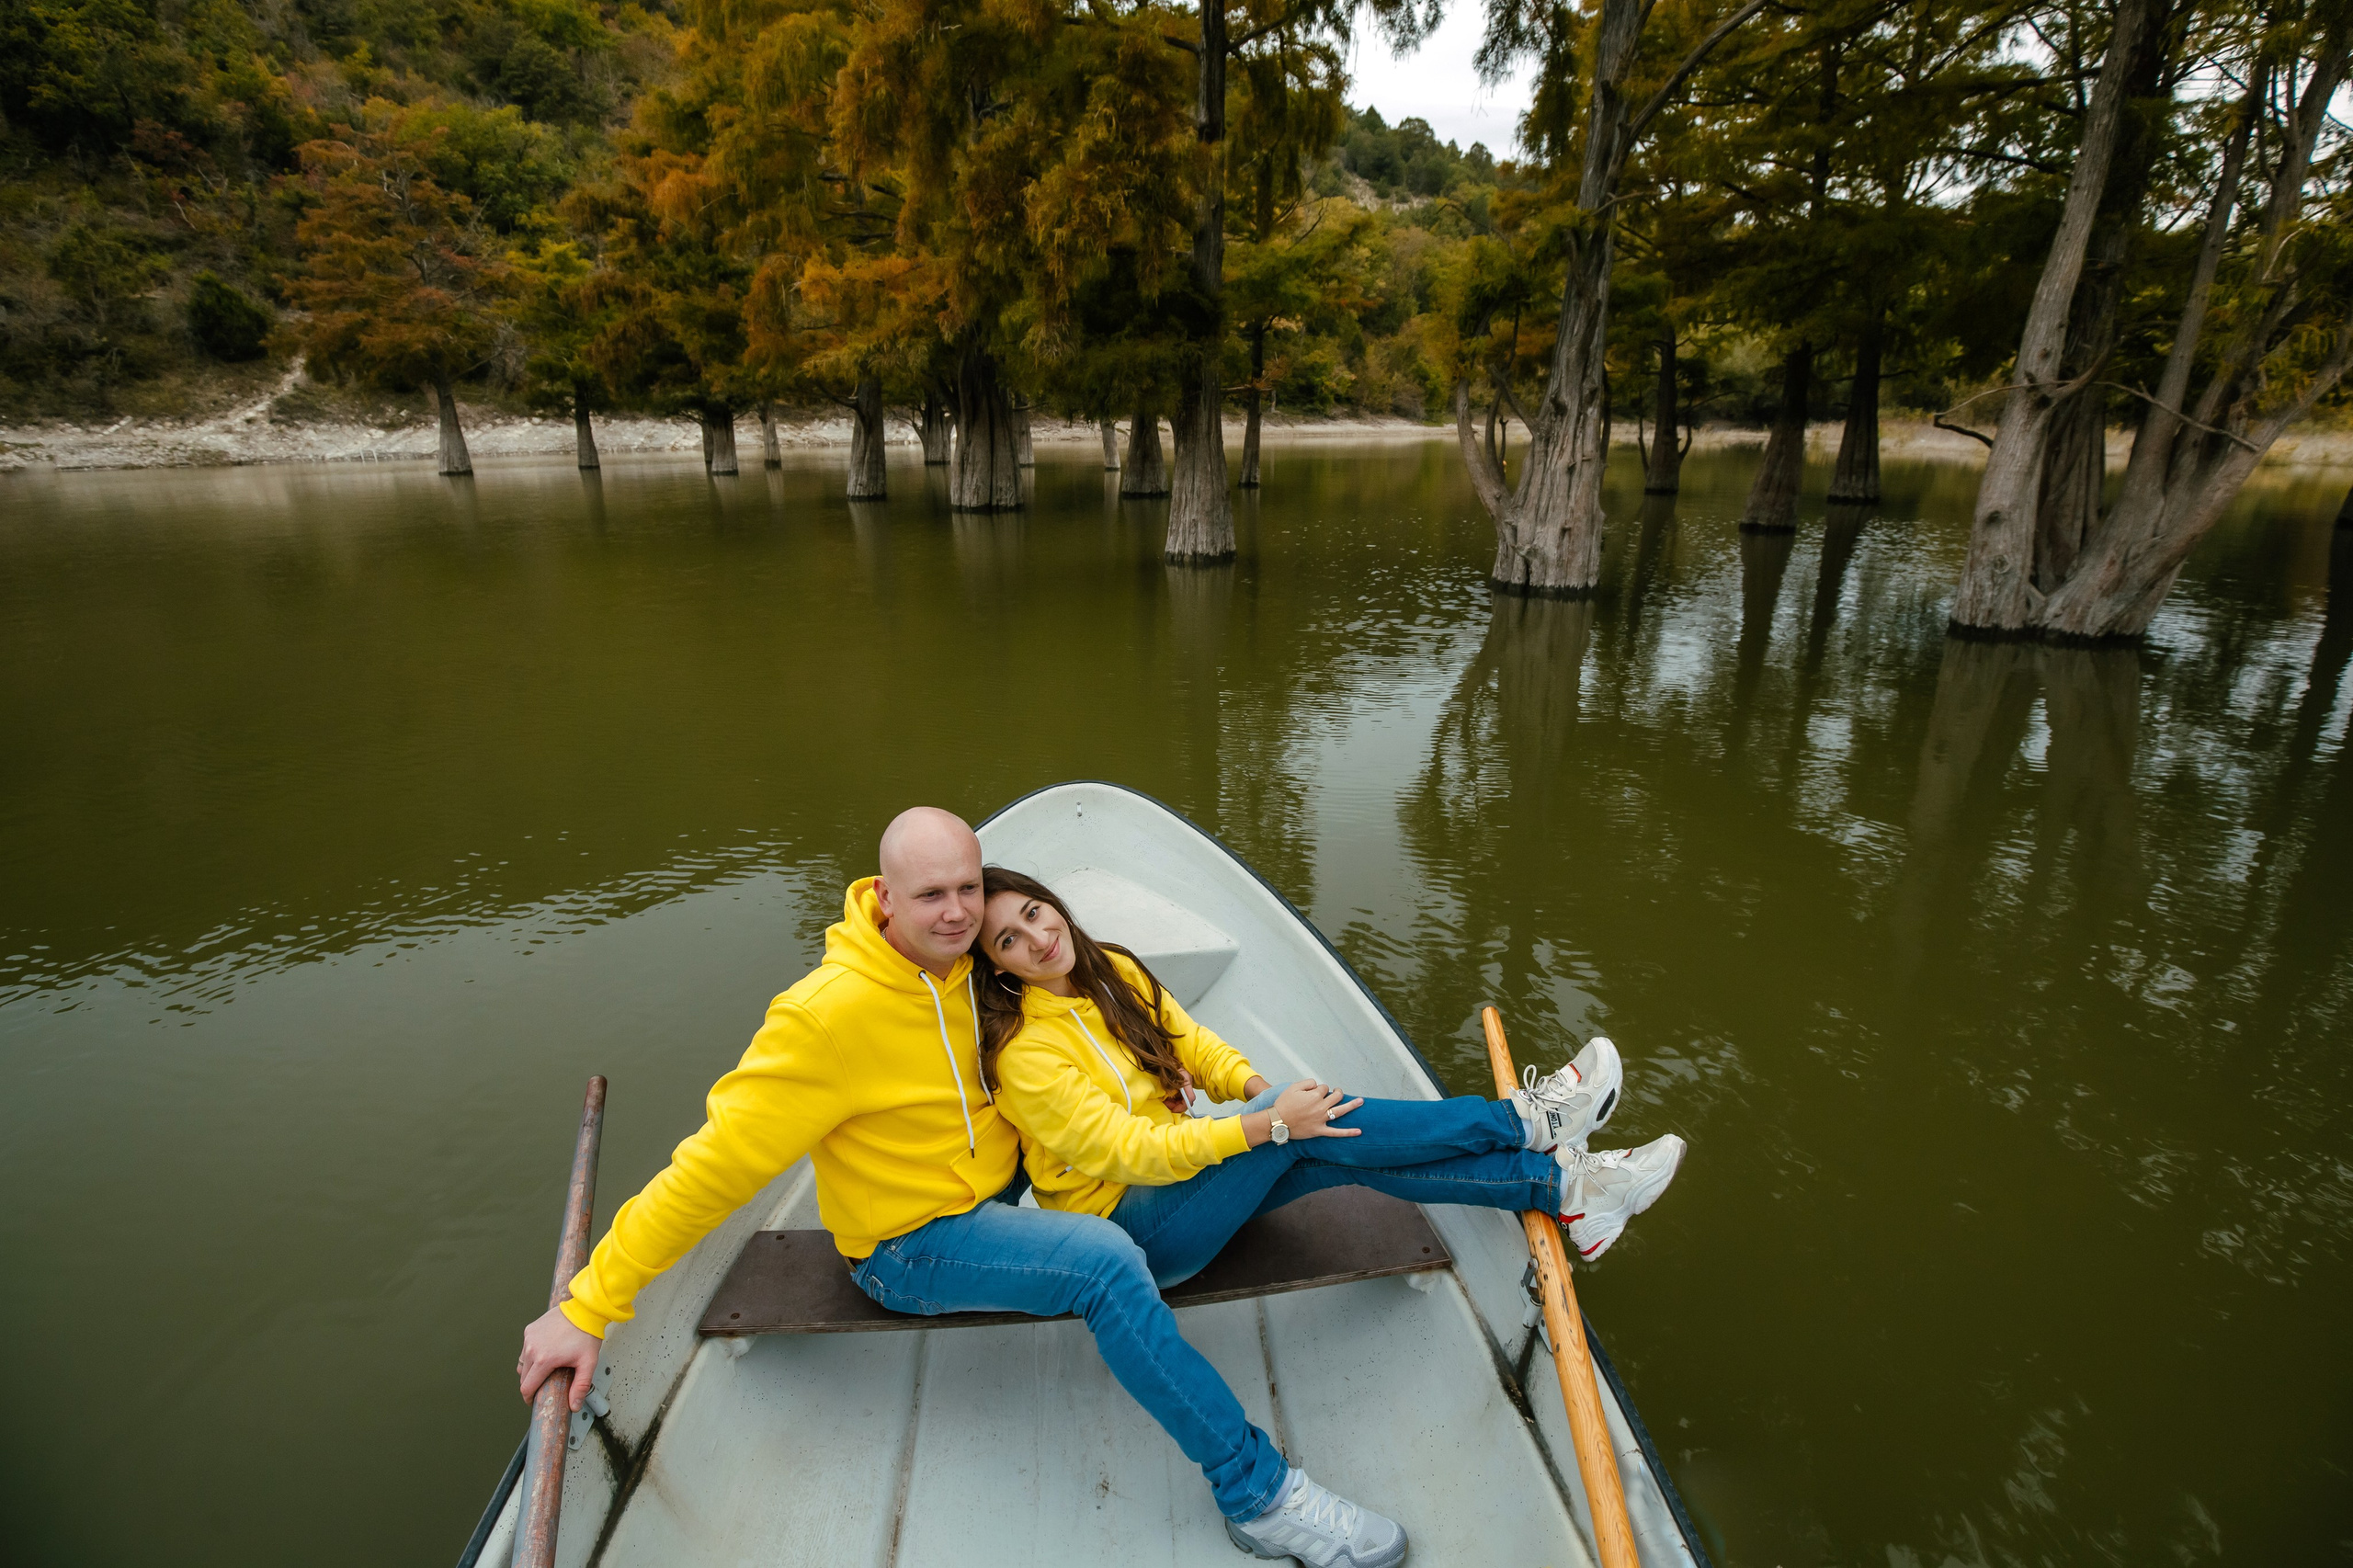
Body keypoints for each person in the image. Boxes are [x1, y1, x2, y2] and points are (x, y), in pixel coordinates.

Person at [519, 806, 1613, 1568]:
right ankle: (1258, 1493)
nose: (956, 912)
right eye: (932, 895)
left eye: (968, 889)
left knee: (1293, 1139)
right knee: (1107, 1259)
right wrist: (589, 1303)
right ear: (880, 895)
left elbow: (1106, 1065)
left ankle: (1538, 1159)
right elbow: (710, 1165)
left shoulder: (974, 979)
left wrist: (1224, 1099)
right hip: (905, 1245)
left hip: (1014, 1205)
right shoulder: (827, 1015)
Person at [970, 867, 1688, 1565]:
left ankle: (1560, 1189)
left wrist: (1261, 1089)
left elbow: (1196, 1047)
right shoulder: (1024, 1054)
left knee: (1319, 1143)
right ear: (998, 969)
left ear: (1051, 904)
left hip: (1182, 1188)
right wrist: (1264, 1123)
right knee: (1293, 1132)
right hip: (1135, 1235)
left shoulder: (1112, 970)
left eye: (1034, 912)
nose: (1035, 938)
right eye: (1007, 940)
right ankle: (1525, 1126)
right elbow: (1135, 1153)